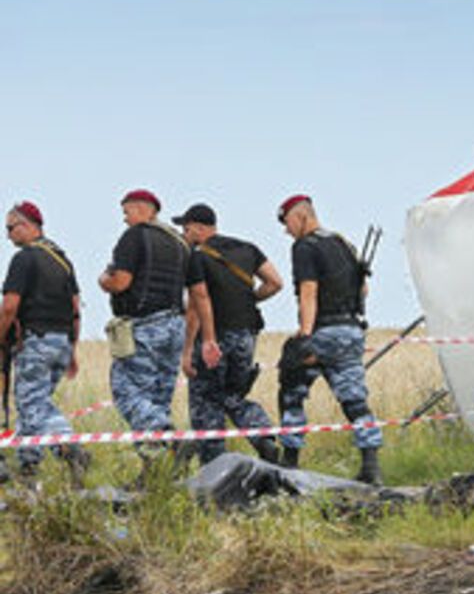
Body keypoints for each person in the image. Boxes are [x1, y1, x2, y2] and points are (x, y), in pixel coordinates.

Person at [276, 194, 382, 484]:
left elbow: (308, 291)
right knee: (355, 400)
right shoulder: (343, 243)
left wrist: (305, 335)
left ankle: (289, 462)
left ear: (301, 217)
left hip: (323, 331)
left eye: (287, 223)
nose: (286, 231)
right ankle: (371, 467)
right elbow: (364, 290)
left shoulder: (304, 247)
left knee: (291, 390)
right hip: (351, 331)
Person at [176, 202, 284, 466]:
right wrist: (249, 300)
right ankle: (263, 437)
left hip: (214, 338)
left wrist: (191, 349)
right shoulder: (248, 249)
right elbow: (274, 282)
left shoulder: (196, 257)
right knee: (232, 396)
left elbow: (197, 303)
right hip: (247, 335)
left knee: (205, 401)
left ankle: (214, 467)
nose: (184, 235)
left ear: (199, 228)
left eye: (186, 230)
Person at [0, 201, 89, 482]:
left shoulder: (25, 258)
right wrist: (72, 350)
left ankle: (70, 447)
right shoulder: (61, 260)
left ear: (28, 225)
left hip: (35, 342)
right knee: (32, 405)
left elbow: (9, 306)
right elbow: (75, 308)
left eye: (10, 228)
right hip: (61, 342)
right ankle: (28, 468)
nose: (7, 235)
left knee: (33, 404)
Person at [97, 189, 188, 459]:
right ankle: (157, 467)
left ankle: (167, 434)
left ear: (140, 208)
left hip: (145, 326)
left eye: (126, 212)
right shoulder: (179, 243)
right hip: (176, 324)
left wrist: (104, 280)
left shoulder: (135, 236)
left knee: (127, 391)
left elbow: (120, 282)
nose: (125, 219)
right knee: (159, 397)